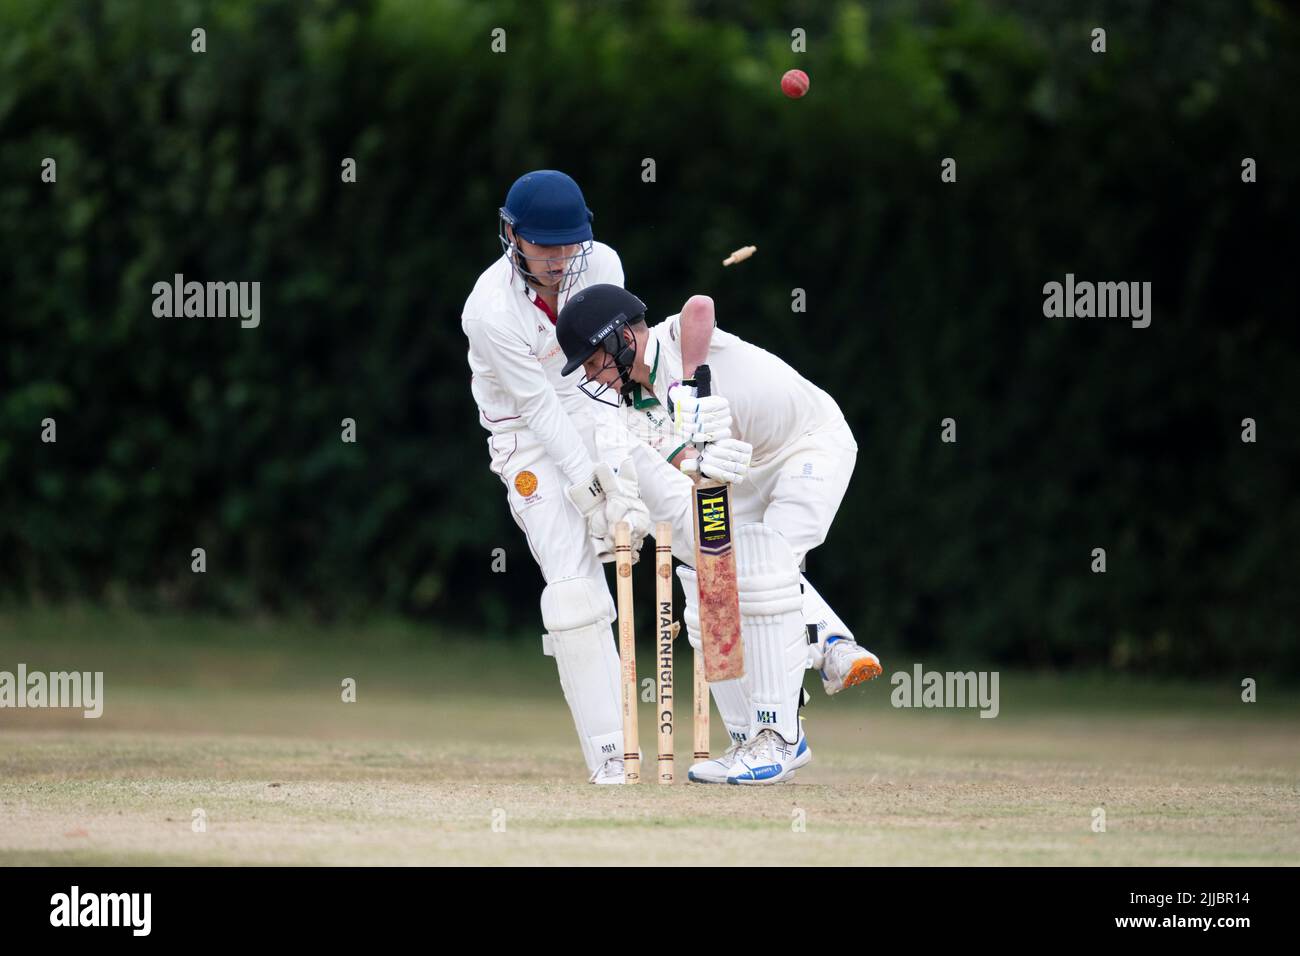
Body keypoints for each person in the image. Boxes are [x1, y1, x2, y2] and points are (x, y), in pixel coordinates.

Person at [555, 285, 883, 785]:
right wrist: (693, 455)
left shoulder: (676, 337)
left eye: (594, 361)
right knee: (707, 579)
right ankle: (762, 722)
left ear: (623, 338)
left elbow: (700, 305)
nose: (591, 375)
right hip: (745, 475)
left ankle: (782, 736)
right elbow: (688, 463)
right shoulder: (633, 407)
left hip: (809, 445)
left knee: (766, 566)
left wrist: (691, 385)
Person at [461, 172, 651, 785]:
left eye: (567, 245)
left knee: (683, 511)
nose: (558, 260)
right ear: (511, 235)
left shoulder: (603, 264)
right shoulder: (489, 311)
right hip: (524, 436)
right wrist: (593, 493)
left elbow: (611, 379)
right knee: (573, 594)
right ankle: (611, 759)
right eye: (544, 246)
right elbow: (541, 410)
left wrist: (618, 476)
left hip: (595, 406)